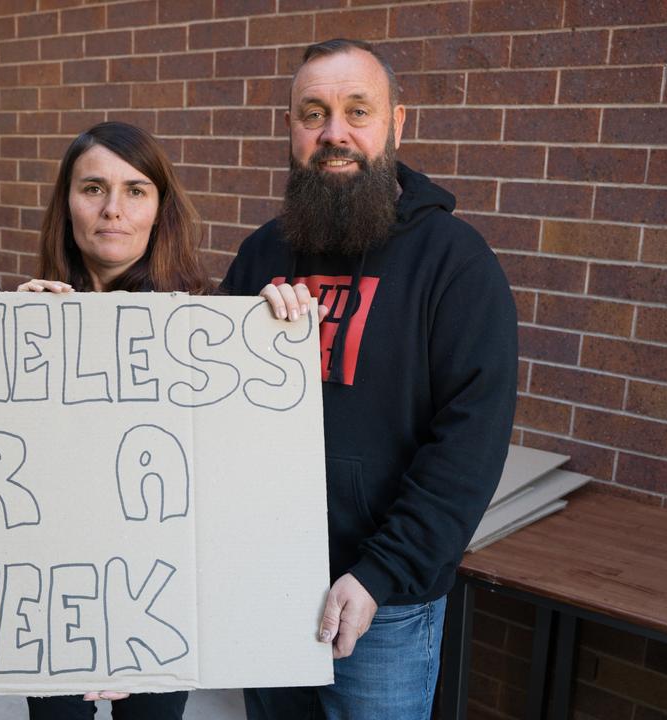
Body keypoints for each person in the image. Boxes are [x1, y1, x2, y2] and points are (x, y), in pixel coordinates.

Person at [219, 38, 518, 719]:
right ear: (290, 127)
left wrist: (382, 573)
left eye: (358, 111)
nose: (334, 134)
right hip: (266, 588)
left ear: (397, 124)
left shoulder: (456, 265)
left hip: (382, 604)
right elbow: (207, 408)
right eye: (313, 113)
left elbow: (468, 449)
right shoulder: (262, 253)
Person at [19, 121, 209, 719]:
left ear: (160, 208)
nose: (112, 209)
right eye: (93, 188)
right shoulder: (23, 317)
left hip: (161, 593)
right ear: (66, 203)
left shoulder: (208, 323)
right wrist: (13, 346)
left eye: (135, 190)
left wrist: (280, 319)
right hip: (53, 591)